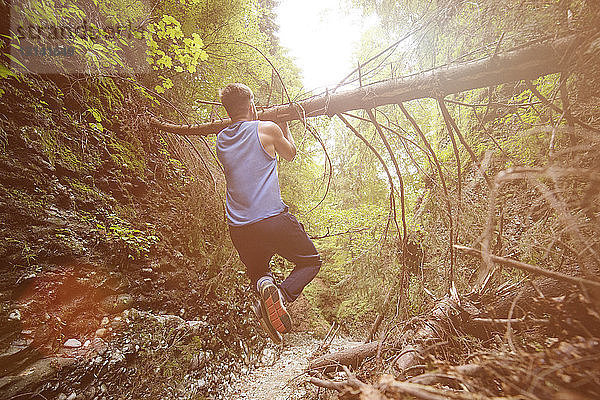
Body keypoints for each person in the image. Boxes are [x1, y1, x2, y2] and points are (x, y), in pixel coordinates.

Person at [216, 83, 322, 343]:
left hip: (239, 229)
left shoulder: (220, 140)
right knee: (310, 261)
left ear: (228, 111)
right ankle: (282, 297)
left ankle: (266, 293)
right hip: (272, 220)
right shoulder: (267, 129)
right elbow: (290, 154)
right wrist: (284, 123)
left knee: (260, 272)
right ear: (251, 106)